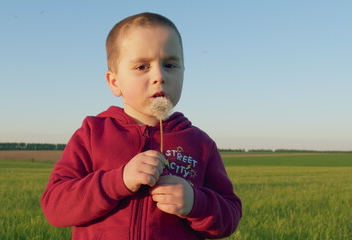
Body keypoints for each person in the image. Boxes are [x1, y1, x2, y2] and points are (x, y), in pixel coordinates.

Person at [41, 12, 242, 239]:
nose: (159, 75)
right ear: (115, 82)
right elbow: (55, 207)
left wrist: (196, 202)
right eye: (142, 67)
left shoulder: (200, 143)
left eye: (170, 64)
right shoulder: (92, 134)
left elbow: (230, 216)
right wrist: (119, 180)